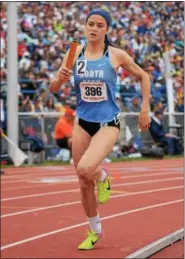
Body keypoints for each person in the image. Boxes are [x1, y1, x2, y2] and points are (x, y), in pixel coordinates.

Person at [49, 9, 150, 250]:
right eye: (90, 24)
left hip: (108, 123)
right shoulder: (74, 53)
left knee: (86, 168)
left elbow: (144, 76)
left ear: (107, 29)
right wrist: (60, 79)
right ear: (85, 26)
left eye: (99, 25)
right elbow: (53, 88)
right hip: (82, 121)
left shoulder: (115, 54)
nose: (93, 28)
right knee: (83, 180)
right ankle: (95, 230)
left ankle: (103, 176)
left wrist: (144, 109)